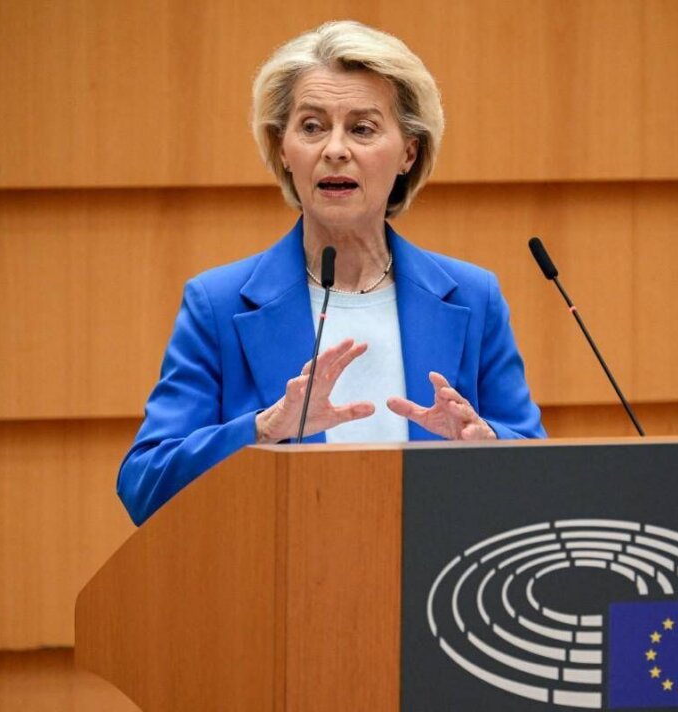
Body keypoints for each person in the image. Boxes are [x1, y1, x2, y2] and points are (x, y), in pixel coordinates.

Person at [118, 20, 545, 525]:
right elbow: (144, 485)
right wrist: (263, 429)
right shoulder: (219, 304)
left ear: (408, 152)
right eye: (312, 126)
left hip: (434, 568)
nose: (335, 149)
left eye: (362, 129)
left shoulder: (473, 298)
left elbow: (540, 476)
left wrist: (487, 444)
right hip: (278, 570)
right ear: (283, 148)